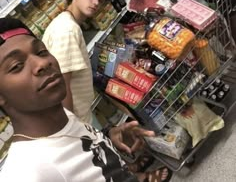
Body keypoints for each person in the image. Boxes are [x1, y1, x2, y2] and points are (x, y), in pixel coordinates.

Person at [0, 17, 173, 182]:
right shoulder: (25, 173)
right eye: (16, 66)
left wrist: (105, 141)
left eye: (41, 51)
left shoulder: (65, 119)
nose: (42, 63)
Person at [42, 0, 115, 124]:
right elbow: (61, 85)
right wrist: (72, 126)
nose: (96, 3)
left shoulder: (68, 23)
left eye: (100, 0)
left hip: (80, 115)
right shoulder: (67, 30)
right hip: (76, 120)